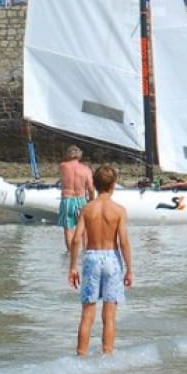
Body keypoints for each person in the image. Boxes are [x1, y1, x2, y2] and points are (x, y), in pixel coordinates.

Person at [67, 165, 132, 357]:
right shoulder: (119, 210)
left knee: (87, 314)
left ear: (94, 184)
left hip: (92, 258)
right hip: (111, 258)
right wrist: (129, 269)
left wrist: (73, 266)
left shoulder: (87, 209)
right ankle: (107, 355)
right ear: (113, 185)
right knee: (109, 315)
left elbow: (77, 239)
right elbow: (124, 241)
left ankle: (81, 355)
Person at [59, 144, 97, 252]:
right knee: (84, 228)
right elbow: (90, 188)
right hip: (81, 200)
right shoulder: (86, 169)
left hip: (67, 199)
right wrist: (91, 202)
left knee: (68, 229)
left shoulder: (63, 166)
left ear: (68, 154)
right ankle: (85, 251)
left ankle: (71, 254)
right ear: (80, 155)